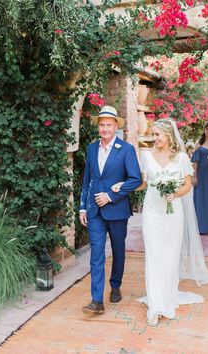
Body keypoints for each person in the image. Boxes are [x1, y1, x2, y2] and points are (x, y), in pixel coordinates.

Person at [112, 118, 208, 327]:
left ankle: (167, 298)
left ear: (168, 135)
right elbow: (143, 183)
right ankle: (155, 305)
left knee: (169, 255)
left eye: (158, 134)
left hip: (172, 211)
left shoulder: (182, 157)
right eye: (154, 134)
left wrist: (175, 194)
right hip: (152, 211)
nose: (155, 138)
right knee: (154, 255)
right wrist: (124, 185)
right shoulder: (146, 156)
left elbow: (188, 184)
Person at [79, 105, 142, 315]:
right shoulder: (91, 149)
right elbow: (87, 180)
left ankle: (115, 285)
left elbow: (135, 179)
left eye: (109, 125)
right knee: (96, 254)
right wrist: (82, 207)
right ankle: (96, 300)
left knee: (117, 251)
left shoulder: (126, 149)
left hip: (117, 210)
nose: (105, 129)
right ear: (98, 127)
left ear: (116, 126)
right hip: (95, 212)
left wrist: (111, 195)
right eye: (102, 125)